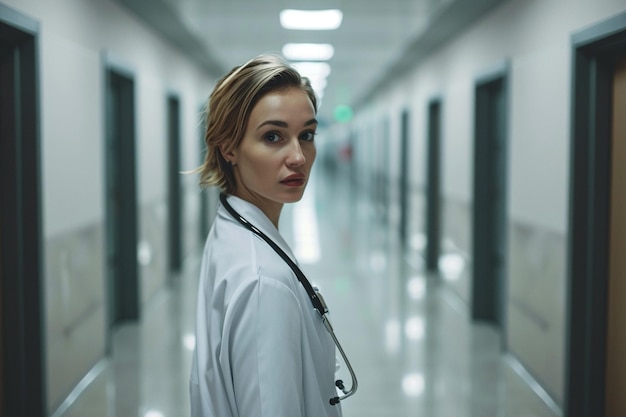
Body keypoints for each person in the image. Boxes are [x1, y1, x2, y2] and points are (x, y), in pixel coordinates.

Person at [189, 54, 343, 417]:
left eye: (306, 135)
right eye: (273, 136)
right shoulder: (264, 284)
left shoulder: (231, 225)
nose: (298, 157)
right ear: (229, 148)